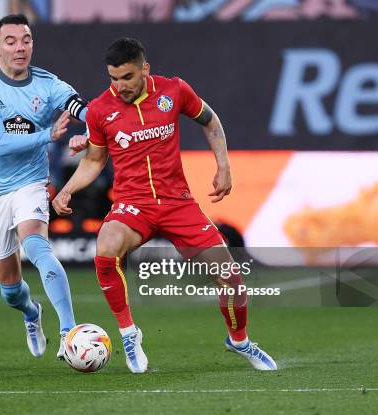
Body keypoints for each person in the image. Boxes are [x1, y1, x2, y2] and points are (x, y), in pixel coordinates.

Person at [52, 38, 277, 374]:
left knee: (231, 279)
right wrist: (67, 189)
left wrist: (224, 166)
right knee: (106, 246)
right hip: (133, 204)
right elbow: (94, 160)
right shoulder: (100, 109)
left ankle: (239, 340)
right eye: (113, 79)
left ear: (144, 68)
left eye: (127, 77)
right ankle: (129, 333)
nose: (120, 86)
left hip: (177, 203)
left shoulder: (174, 91)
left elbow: (211, 122)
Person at [0, 13, 89, 359]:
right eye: (11, 41)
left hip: (30, 182)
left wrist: (89, 133)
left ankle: (69, 332)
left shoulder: (49, 84)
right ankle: (32, 313)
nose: (20, 47)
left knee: (37, 247)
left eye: (27, 40)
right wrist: (48, 136)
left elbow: (88, 110)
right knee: (10, 290)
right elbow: (1, 142)